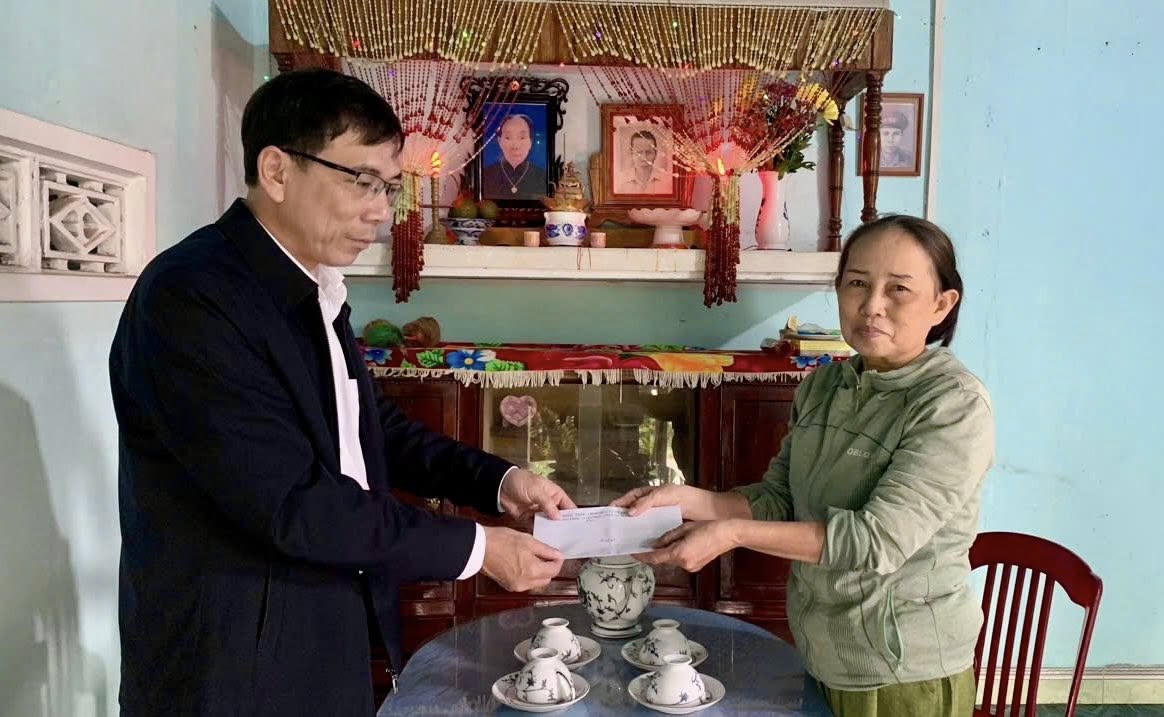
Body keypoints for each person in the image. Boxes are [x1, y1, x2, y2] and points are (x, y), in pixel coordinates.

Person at [109, 68, 574, 716]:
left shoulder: (312, 284)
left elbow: (370, 427)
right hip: (234, 661)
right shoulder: (192, 299)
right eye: (360, 180)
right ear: (277, 171)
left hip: (322, 627)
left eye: (388, 187)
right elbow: (293, 503)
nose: (381, 211)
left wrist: (499, 481)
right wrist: (477, 548)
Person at [613, 214, 993, 717]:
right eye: (857, 283)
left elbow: (875, 542)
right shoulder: (824, 386)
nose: (872, 305)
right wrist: (689, 501)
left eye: (898, 289)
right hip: (820, 651)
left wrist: (730, 534)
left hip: (901, 673)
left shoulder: (952, 404)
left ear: (942, 304)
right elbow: (779, 499)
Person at [480, 113, 547, 199]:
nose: (515, 146)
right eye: (508, 137)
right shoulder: (485, 176)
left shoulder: (542, 177)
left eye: (522, 137)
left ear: (530, 142)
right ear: (499, 141)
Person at [614, 128, 672, 195]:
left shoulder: (668, 181)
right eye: (639, 152)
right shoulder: (620, 182)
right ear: (631, 153)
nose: (644, 157)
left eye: (648, 152)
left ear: (655, 154)